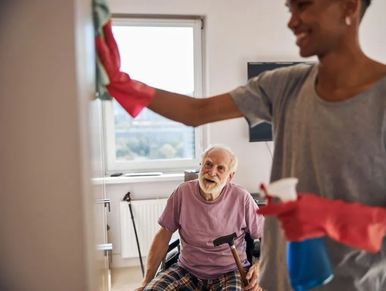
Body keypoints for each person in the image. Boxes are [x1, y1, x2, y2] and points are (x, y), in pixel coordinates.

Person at [96, 0, 386, 290]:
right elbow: (196, 112)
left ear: (349, 6)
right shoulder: (287, 85)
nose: (292, 21)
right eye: (290, 9)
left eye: (303, 5)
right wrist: (122, 83)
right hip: (281, 280)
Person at [136, 145, 264, 291]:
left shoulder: (242, 198)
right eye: (208, 164)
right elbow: (163, 234)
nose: (212, 172)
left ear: (230, 176)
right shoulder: (182, 193)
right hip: (187, 269)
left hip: (230, 271)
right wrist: (146, 281)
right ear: (201, 166)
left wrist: (261, 266)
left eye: (220, 168)